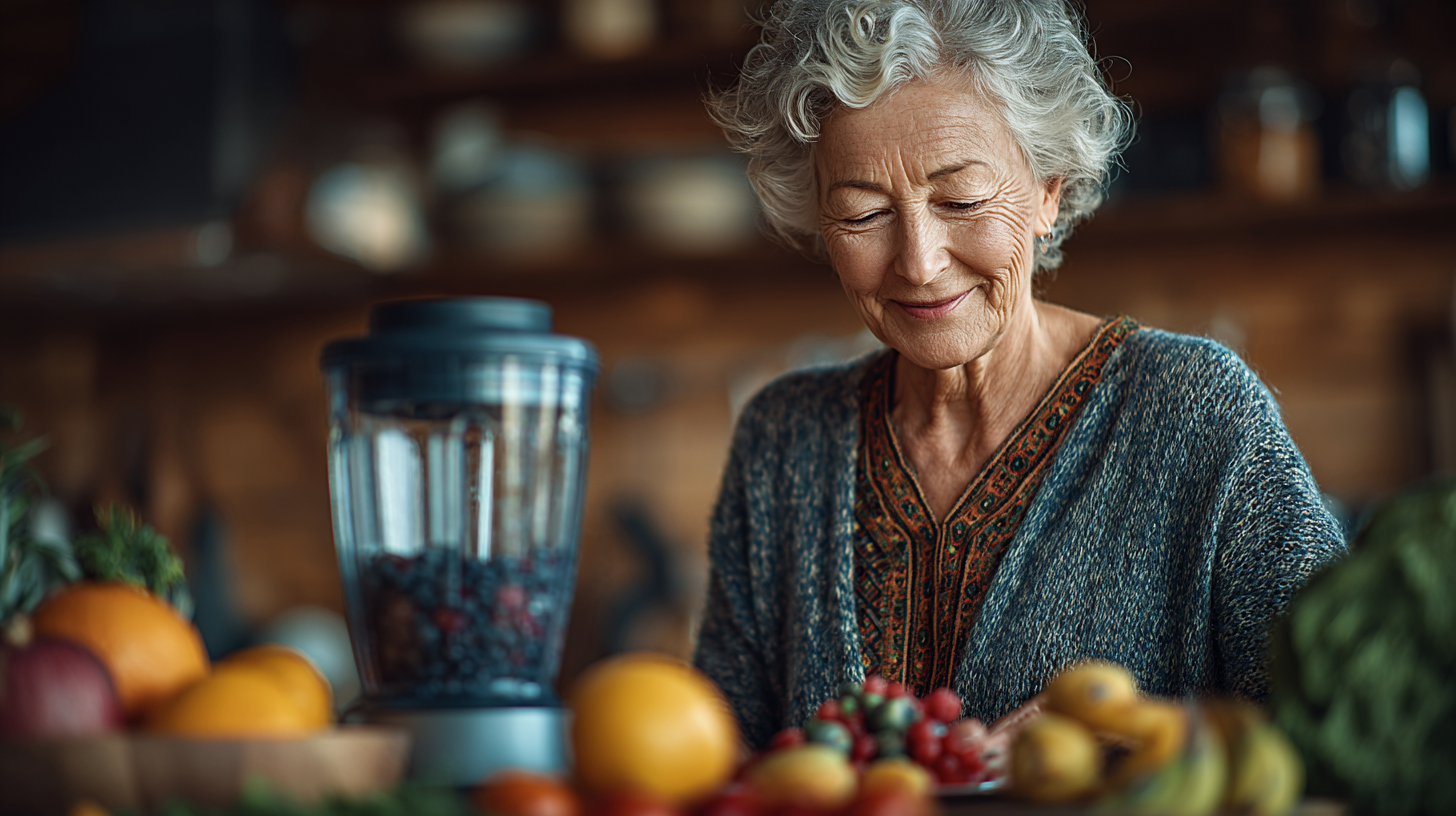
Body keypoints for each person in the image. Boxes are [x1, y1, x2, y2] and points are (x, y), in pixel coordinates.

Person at [691, 0, 1346, 750]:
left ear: (1048, 190)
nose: (919, 262)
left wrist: (1153, 730)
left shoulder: (1198, 411)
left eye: (961, 199)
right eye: (864, 214)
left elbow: (1344, 722)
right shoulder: (783, 441)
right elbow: (712, 756)